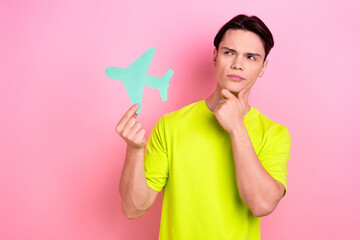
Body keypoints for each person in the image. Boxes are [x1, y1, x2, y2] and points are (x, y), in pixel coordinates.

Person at [117, 14, 291, 240]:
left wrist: (237, 128)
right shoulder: (171, 125)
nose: (238, 64)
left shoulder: (274, 134)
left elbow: (262, 204)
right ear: (215, 56)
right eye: (229, 52)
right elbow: (133, 208)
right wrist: (134, 150)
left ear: (263, 67)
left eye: (250, 57)